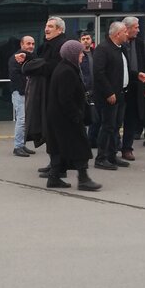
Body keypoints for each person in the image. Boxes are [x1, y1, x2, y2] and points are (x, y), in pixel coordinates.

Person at [44, 39, 101, 191]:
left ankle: (54, 177)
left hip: (59, 118)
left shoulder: (65, 68)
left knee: (59, 147)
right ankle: (83, 179)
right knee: (79, 147)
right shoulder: (67, 71)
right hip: (66, 119)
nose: (82, 55)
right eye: (80, 53)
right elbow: (65, 98)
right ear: (73, 54)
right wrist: (77, 115)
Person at [24, 16, 67, 167]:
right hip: (47, 94)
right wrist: (29, 59)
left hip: (56, 95)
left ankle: (58, 166)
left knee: (56, 133)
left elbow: (51, 66)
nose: (46, 29)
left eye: (50, 26)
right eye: (46, 26)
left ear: (59, 30)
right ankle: (54, 164)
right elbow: (42, 62)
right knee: (49, 132)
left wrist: (31, 65)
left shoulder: (61, 45)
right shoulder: (46, 45)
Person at [92, 21, 129, 171]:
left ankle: (112, 155)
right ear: (117, 34)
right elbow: (99, 73)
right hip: (109, 96)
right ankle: (101, 158)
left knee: (116, 126)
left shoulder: (121, 48)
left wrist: (136, 75)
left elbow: (123, 70)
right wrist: (109, 92)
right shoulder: (103, 49)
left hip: (121, 93)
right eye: (125, 31)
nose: (127, 34)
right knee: (107, 126)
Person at [120, 16, 145, 161]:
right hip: (120, 86)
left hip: (136, 85)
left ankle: (127, 148)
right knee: (115, 120)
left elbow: (143, 63)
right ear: (127, 28)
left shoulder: (139, 43)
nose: (138, 30)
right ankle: (112, 147)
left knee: (131, 118)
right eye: (136, 27)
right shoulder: (118, 43)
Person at [8, 34, 36, 156]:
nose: (31, 46)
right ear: (21, 44)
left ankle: (22, 144)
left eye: (33, 44)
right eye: (28, 43)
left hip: (27, 93)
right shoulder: (16, 58)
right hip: (20, 93)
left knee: (25, 120)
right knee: (22, 119)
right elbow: (15, 76)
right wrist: (23, 90)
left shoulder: (29, 57)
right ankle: (18, 146)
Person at [79, 32, 99, 148]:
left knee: (95, 116)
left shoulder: (96, 53)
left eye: (87, 38)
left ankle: (92, 140)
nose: (86, 40)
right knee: (83, 115)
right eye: (83, 39)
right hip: (84, 89)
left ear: (91, 40)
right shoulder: (79, 55)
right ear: (80, 41)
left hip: (96, 89)